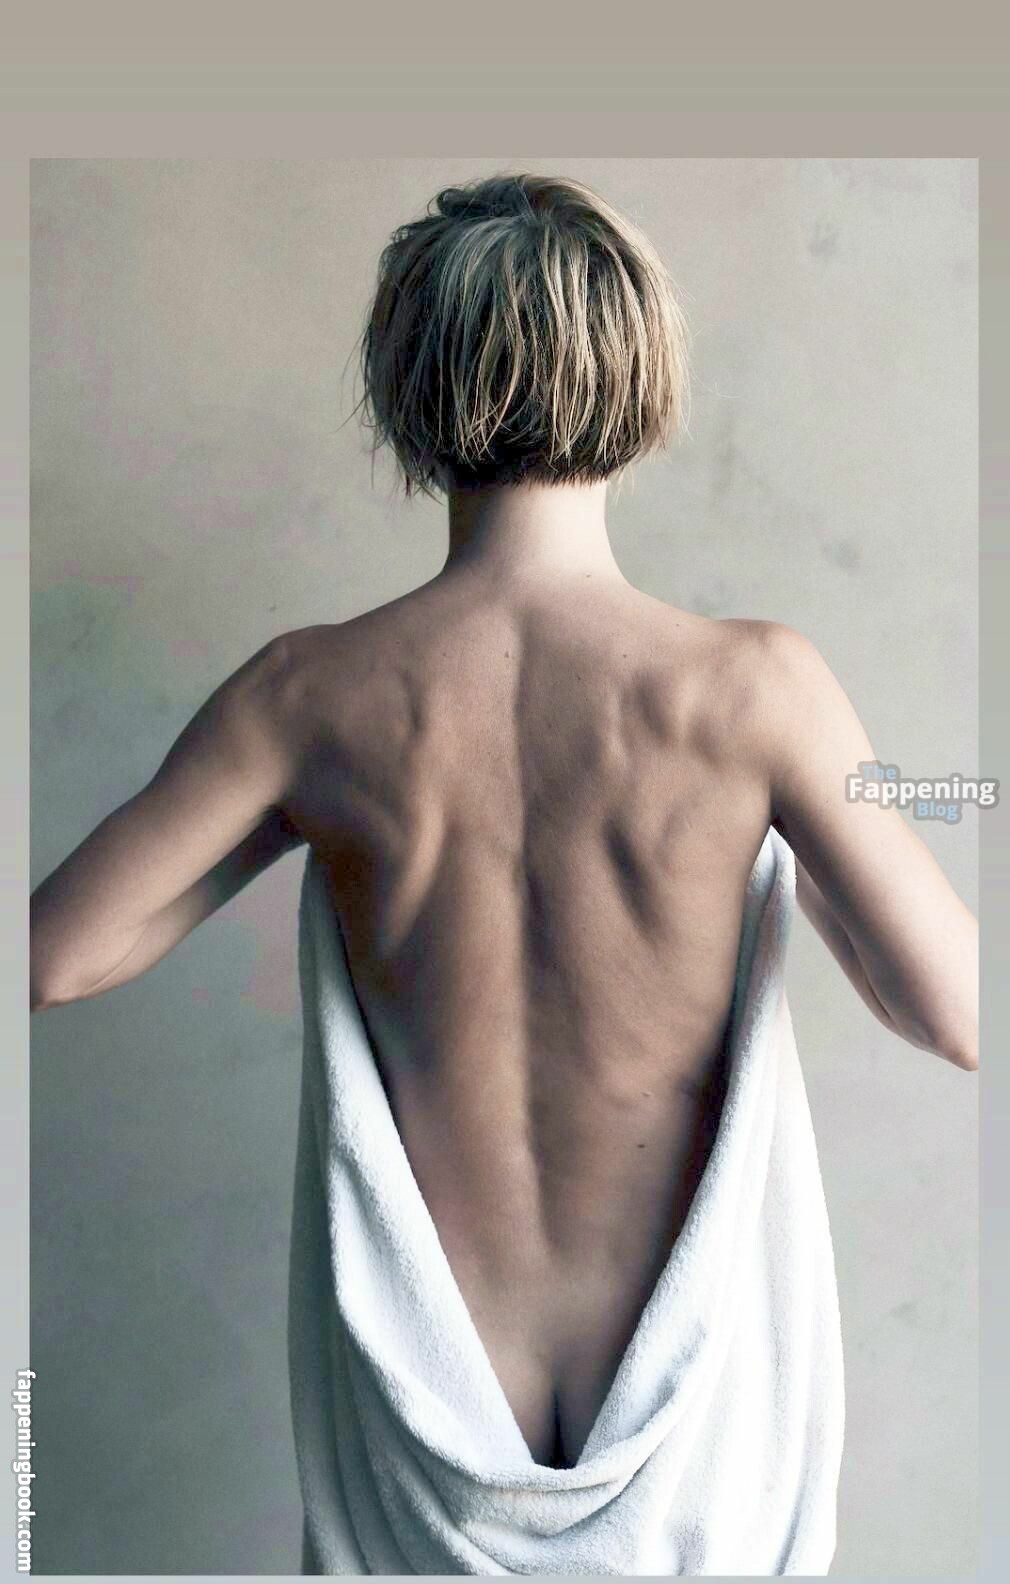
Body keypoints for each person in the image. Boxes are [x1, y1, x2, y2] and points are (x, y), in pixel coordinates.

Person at [30, 172, 977, 1480]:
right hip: (693, 1426)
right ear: (637, 373)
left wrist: (305, 813)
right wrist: (804, 817)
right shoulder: (756, 692)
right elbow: (956, 1010)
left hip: (428, 1424)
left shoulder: (310, 696)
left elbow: (55, 957)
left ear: (407, 384)